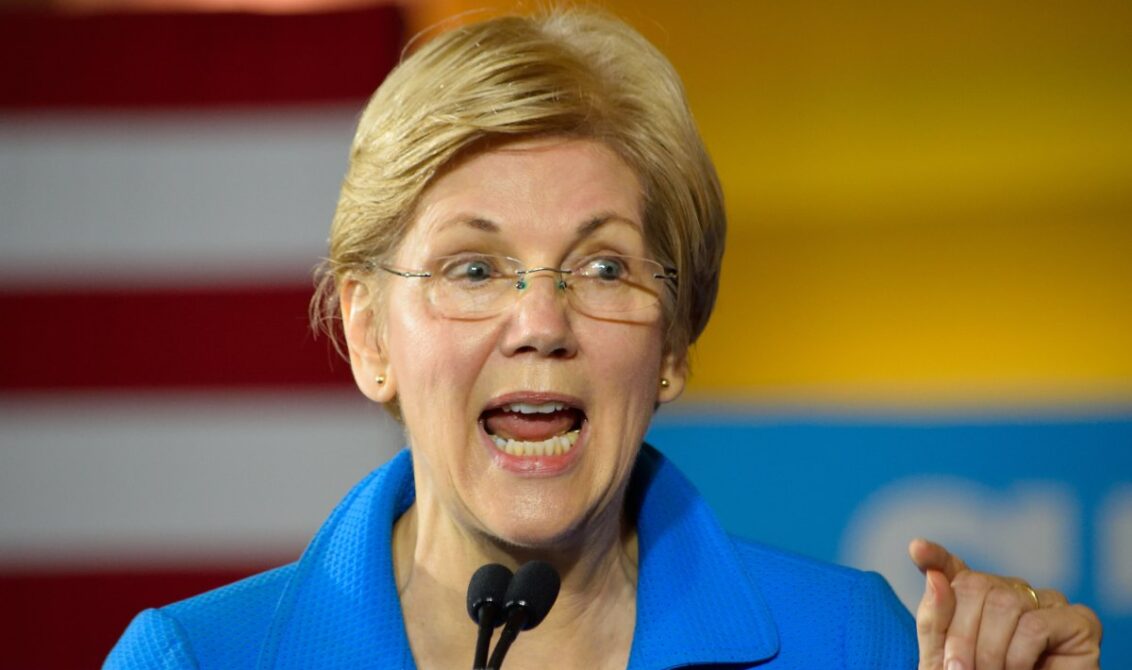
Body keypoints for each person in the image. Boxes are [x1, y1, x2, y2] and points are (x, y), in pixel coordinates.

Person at [105, 8, 1102, 670]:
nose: (542, 324)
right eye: (473, 269)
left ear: (672, 344)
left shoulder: (852, 645)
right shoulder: (195, 660)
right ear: (370, 337)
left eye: (604, 268)